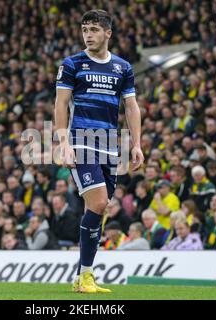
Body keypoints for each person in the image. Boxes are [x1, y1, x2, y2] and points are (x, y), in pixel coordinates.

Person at [55, 9, 144, 293]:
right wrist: (63, 142)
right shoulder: (72, 64)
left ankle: (81, 277)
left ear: (108, 33)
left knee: (96, 209)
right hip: (81, 140)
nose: (88, 35)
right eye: (84, 30)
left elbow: (131, 106)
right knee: (100, 203)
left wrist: (137, 144)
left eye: (94, 29)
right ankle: (87, 275)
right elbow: (60, 104)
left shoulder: (122, 67)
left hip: (109, 144)